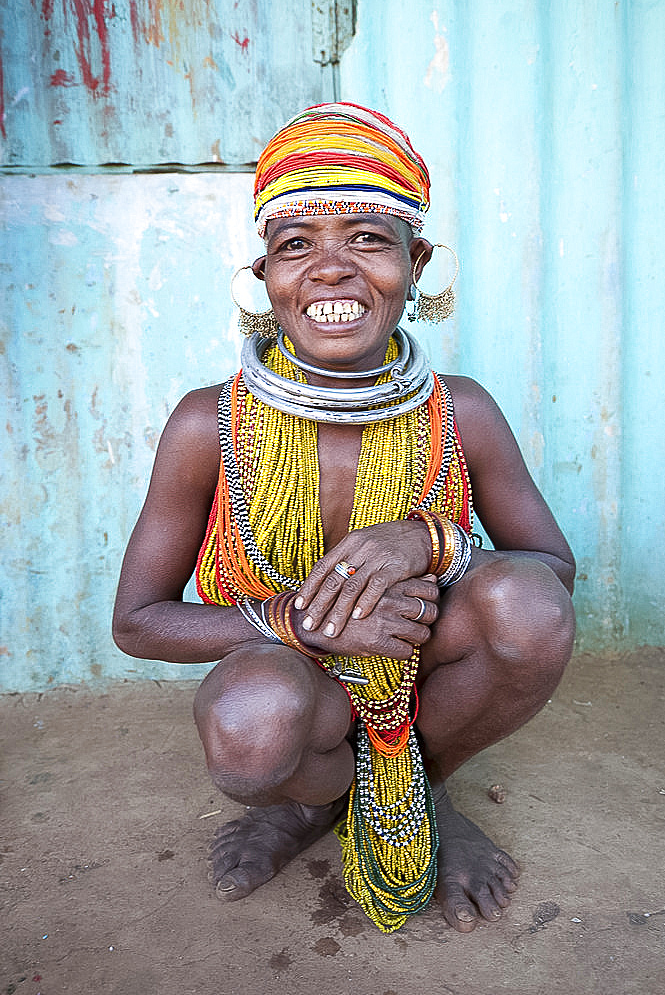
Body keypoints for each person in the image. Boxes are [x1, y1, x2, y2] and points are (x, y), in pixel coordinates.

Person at [112, 102, 575, 934]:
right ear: (263, 277)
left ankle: (422, 787)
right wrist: (301, 625)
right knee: (250, 731)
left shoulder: (458, 411)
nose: (329, 268)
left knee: (529, 605)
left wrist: (428, 539)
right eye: (296, 245)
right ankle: (305, 803)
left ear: (416, 261)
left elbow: (552, 570)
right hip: (295, 676)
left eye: (366, 238)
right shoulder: (205, 424)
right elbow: (139, 623)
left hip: (421, 662)